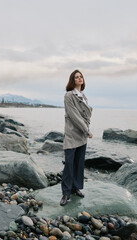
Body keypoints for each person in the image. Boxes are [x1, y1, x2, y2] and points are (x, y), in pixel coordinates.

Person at [60, 69, 93, 206]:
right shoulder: (69, 95)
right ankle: (65, 193)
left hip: (82, 135)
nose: (79, 79)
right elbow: (74, 116)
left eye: (81, 77)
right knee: (69, 164)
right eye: (76, 77)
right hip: (73, 134)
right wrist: (87, 130)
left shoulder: (83, 96)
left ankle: (75, 188)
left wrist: (85, 130)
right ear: (72, 80)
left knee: (79, 163)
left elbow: (86, 115)